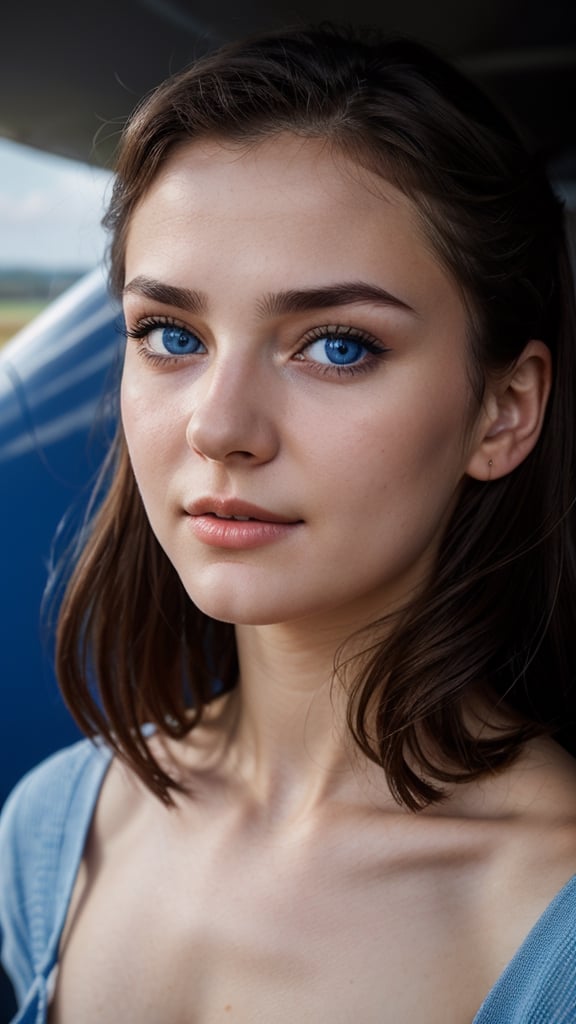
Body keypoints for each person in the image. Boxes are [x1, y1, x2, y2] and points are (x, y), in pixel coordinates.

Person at [1, 21, 576, 1024]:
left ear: (506, 409)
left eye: (338, 347)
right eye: (170, 334)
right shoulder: (49, 832)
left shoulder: (550, 922)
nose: (219, 427)